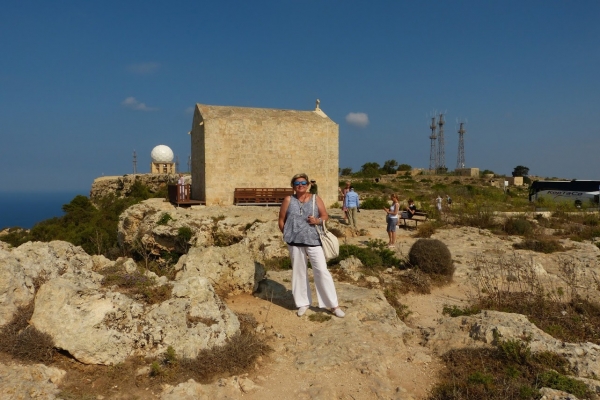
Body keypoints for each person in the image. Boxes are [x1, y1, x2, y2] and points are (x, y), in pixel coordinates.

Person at [278, 173, 345, 318]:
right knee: (299, 272)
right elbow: (281, 219)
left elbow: (325, 215)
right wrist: (287, 234)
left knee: (321, 271)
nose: (300, 185)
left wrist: (318, 221)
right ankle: (303, 303)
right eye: (297, 183)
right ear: (293, 186)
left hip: (314, 240)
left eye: (303, 183)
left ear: (308, 184)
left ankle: (333, 305)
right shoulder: (288, 200)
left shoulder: (315, 199)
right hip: (294, 242)